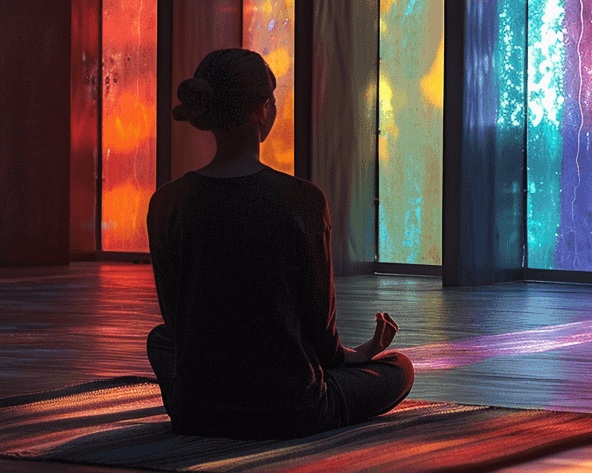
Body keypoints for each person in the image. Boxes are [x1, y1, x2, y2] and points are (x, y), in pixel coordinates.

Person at [145, 48, 413, 439]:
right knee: (399, 367)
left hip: (198, 409)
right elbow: (323, 342)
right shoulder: (302, 200)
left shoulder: (166, 202)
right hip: (293, 406)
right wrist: (366, 351)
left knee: (161, 339)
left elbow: (178, 325)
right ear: (261, 110)